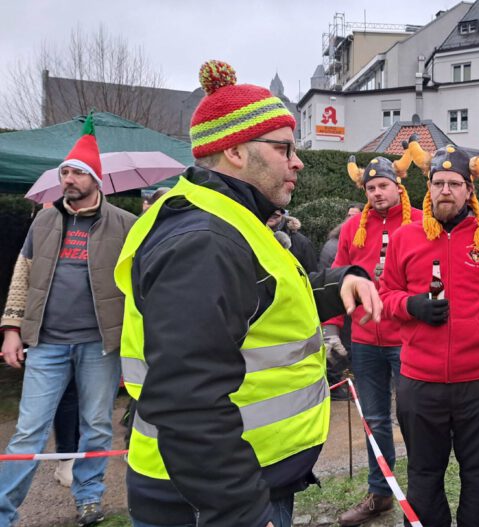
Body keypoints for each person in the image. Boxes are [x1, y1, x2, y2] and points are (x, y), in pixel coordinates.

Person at [114, 60, 381, 527]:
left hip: (237, 482)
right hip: (212, 500)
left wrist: (338, 284)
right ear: (236, 151)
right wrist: (240, 512)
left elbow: (265, 299)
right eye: (284, 148)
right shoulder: (205, 240)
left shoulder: (229, 221)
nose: (298, 161)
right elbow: (188, 399)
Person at [0, 113, 137, 527]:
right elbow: (22, 273)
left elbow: (139, 283)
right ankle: (4, 511)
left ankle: (89, 498)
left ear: (96, 178)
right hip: (47, 342)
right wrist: (11, 329)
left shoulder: (125, 224)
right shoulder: (43, 220)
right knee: (29, 430)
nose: (68, 179)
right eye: (64, 172)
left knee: (96, 425)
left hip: (100, 344)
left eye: (77, 172)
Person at [379, 140, 479, 527]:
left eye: (454, 184)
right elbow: (384, 296)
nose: (445, 191)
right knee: (423, 478)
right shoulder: (405, 238)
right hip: (421, 384)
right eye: (438, 183)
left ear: (469, 190)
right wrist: (412, 306)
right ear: (429, 188)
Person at [331, 150, 422, 526]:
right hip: (366, 339)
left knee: (414, 417)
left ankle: (420, 493)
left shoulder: (421, 222)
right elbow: (337, 276)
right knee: (374, 419)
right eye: (371, 188)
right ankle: (380, 493)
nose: (377, 193)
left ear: (399, 187)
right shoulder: (353, 228)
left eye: (383, 185)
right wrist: (331, 328)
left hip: (408, 338)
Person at [267, 208, 318, 274]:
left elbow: (311, 273)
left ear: (282, 214)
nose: (270, 214)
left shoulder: (302, 242)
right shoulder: (255, 234)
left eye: (275, 215)